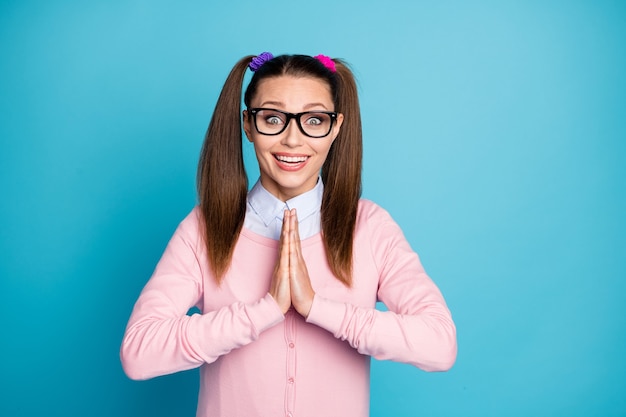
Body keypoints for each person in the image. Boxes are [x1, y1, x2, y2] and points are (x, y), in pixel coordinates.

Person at [120, 52, 457, 417]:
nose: (292, 140)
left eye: (314, 120)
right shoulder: (205, 228)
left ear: (336, 127)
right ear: (248, 125)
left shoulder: (369, 228)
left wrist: (317, 308)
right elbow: (140, 353)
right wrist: (263, 311)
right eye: (273, 118)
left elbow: (439, 345)